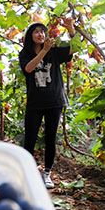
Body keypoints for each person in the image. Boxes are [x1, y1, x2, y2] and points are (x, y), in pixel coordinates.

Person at [19, 18, 77, 189]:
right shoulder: (25, 54)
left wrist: (71, 28)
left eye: (43, 31)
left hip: (54, 101)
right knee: (30, 138)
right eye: (36, 31)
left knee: (50, 138)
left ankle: (47, 173)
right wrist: (44, 51)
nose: (40, 33)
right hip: (35, 103)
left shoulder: (54, 52)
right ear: (30, 36)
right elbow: (28, 69)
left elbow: (75, 48)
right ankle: (28, 172)